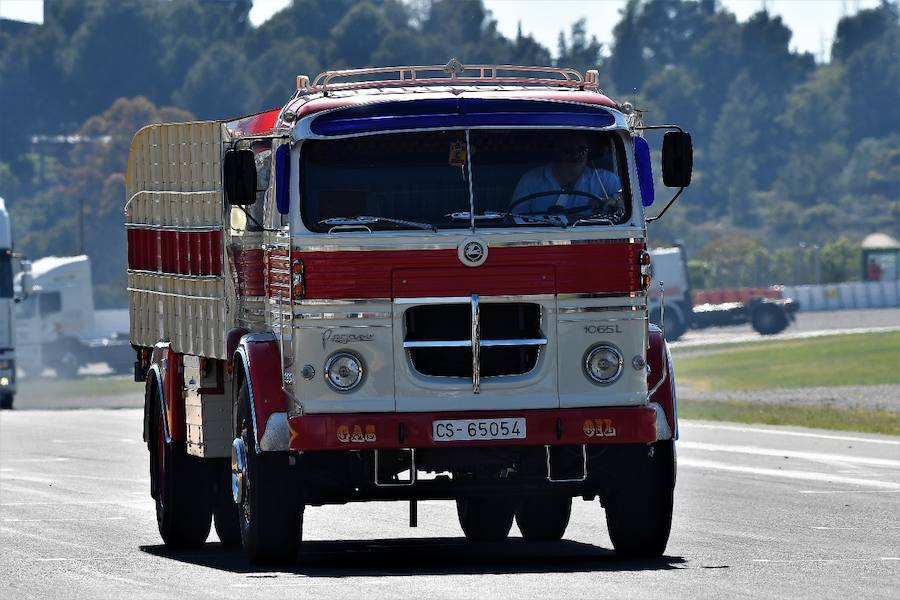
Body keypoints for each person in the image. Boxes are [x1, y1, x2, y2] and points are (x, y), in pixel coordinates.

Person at [510, 131, 623, 217]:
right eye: (568, 150)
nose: (576, 155)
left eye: (582, 150)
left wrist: (613, 202)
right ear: (556, 151)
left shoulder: (606, 180)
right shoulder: (531, 180)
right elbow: (513, 220)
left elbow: (627, 204)